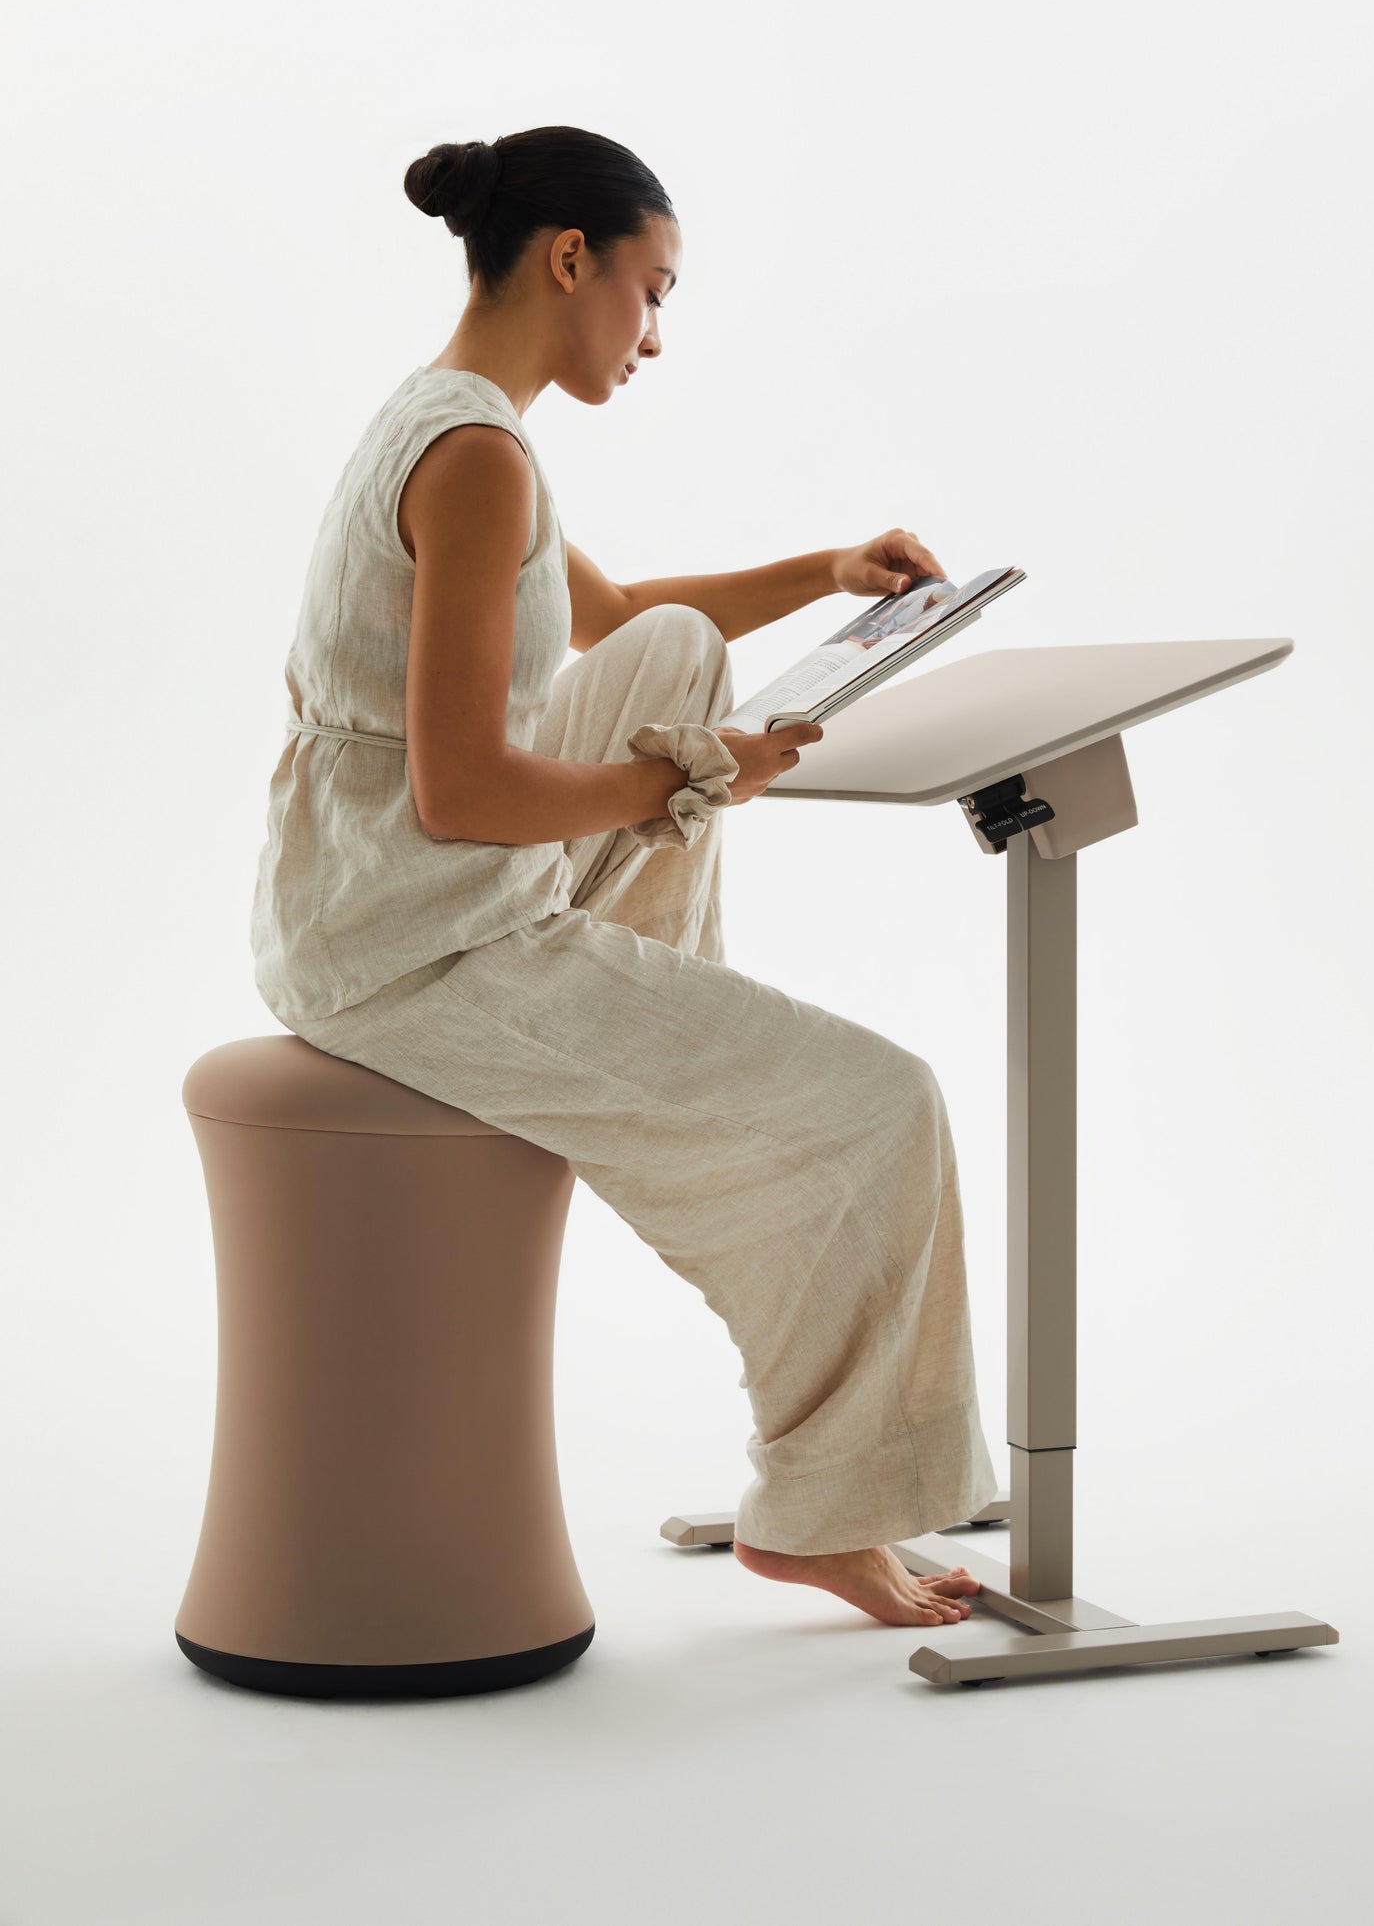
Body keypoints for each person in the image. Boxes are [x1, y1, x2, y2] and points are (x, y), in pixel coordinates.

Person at [250, 124, 998, 1629]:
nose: (654, 335)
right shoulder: (473, 459)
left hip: (360, 887)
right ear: (569, 259)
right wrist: (698, 770)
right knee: (884, 1100)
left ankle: (664, 1035)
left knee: (676, 650)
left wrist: (834, 568)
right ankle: (823, 1509)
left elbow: (620, 615)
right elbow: (464, 793)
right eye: (651, 292)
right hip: (412, 940)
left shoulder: (464, 422)